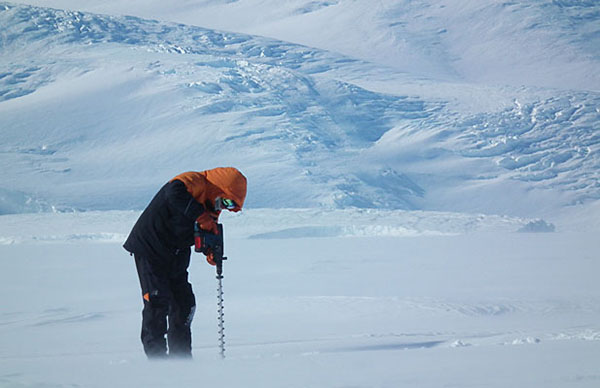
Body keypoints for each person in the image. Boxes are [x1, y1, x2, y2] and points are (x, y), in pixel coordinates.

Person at [123, 167, 247, 358]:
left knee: (184, 304)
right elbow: (174, 192)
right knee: (157, 302)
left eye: (230, 206)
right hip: (151, 247)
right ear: (220, 187)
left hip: (176, 252)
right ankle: (158, 364)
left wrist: (210, 252)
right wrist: (202, 216)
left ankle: (181, 361)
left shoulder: (212, 207)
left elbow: (203, 232)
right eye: (227, 200)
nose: (224, 206)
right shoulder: (195, 180)